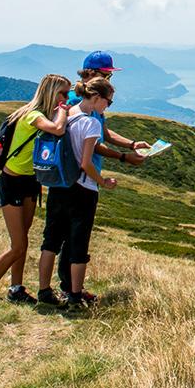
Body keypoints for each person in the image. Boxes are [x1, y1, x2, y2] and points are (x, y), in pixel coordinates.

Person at [55, 50, 149, 299]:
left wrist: (131, 144)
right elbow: (90, 143)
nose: (110, 79)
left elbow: (104, 133)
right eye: (108, 74)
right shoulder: (80, 100)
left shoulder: (90, 98)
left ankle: (69, 287)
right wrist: (124, 158)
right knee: (74, 233)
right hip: (79, 176)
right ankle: (69, 289)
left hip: (80, 176)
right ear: (92, 74)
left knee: (69, 233)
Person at [0, 74, 71, 307]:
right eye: (62, 93)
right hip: (12, 182)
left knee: (23, 241)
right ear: (50, 93)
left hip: (31, 182)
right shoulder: (32, 115)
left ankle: (16, 289)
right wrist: (63, 110)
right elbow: (58, 129)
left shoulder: (40, 114)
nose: (65, 98)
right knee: (17, 245)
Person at [37, 76, 119, 309]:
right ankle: (74, 296)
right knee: (77, 244)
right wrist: (103, 182)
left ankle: (44, 291)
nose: (108, 106)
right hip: (82, 189)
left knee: (50, 241)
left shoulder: (66, 113)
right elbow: (86, 163)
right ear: (95, 97)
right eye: (108, 102)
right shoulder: (91, 123)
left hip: (58, 186)